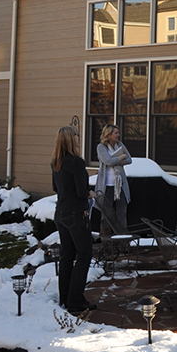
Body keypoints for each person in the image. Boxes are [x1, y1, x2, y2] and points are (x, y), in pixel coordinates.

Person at [51, 126, 96, 314]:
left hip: (60, 213)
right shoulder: (76, 162)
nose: (79, 138)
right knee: (84, 254)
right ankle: (76, 299)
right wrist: (89, 193)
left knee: (67, 256)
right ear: (71, 139)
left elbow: (55, 188)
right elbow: (81, 191)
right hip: (76, 215)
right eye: (77, 135)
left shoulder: (56, 162)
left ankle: (65, 297)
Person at [94, 124, 131, 234]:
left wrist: (121, 161)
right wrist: (120, 157)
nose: (118, 135)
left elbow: (129, 159)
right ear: (109, 134)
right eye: (116, 133)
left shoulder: (120, 145)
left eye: (118, 133)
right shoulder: (101, 147)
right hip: (107, 186)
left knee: (121, 212)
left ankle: (123, 238)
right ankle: (107, 239)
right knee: (107, 213)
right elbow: (108, 161)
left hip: (120, 185)